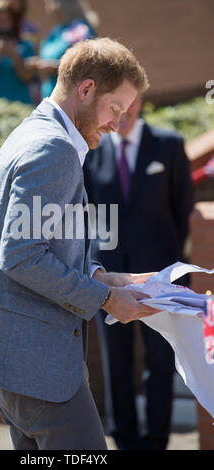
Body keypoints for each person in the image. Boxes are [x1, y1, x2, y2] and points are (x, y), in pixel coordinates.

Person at [0, 37, 161, 450]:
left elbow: (41, 244)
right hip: (34, 362)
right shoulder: (54, 147)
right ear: (85, 90)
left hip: (12, 357)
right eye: (115, 108)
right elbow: (22, 256)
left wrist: (108, 277)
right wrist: (104, 298)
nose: (117, 124)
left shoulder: (34, 133)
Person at [83, 95, 195, 450]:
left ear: (140, 101)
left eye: (129, 103)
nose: (124, 113)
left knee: (161, 358)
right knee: (117, 361)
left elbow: (183, 209)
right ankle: (126, 441)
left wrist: (170, 266)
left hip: (160, 275)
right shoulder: (93, 150)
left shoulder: (169, 145)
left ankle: (157, 440)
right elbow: (86, 213)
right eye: (115, 105)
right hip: (108, 275)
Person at [30, 0, 98, 100]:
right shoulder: (56, 31)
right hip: (50, 94)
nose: (47, 9)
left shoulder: (80, 30)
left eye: (50, 5)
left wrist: (55, 67)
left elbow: (87, 64)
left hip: (71, 99)